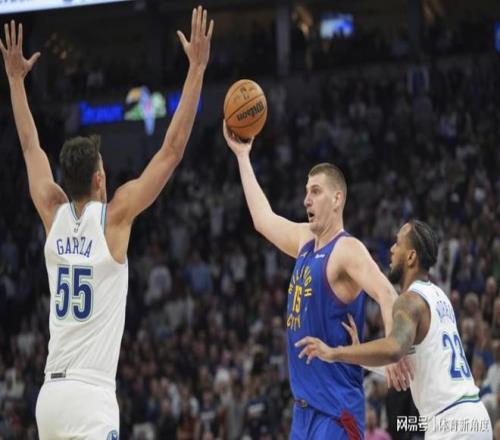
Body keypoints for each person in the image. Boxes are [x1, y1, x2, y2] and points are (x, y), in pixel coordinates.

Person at [0, 9, 213, 439]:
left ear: (66, 180)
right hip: (91, 397)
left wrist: (15, 80)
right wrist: (196, 69)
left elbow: (29, 145)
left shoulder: (52, 211)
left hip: (50, 396)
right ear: (100, 178)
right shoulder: (114, 217)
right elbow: (171, 150)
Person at [222, 124, 411, 439]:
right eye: (306, 192)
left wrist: (395, 346)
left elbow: (386, 292)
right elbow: (263, 219)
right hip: (303, 413)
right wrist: (242, 156)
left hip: (337, 412)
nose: (306, 200)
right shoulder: (305, 240)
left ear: (337, 199)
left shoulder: (346, 249)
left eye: (315, 191)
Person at [296, 220, 493, 439]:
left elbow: (393, 349)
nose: (391, 249)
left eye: (398, 243)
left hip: (450, 421)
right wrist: (359, 355)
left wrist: (335, 353)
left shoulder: (409, 300)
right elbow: (408, 367)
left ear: (411, 257)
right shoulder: (439, 297)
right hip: (473, 417)